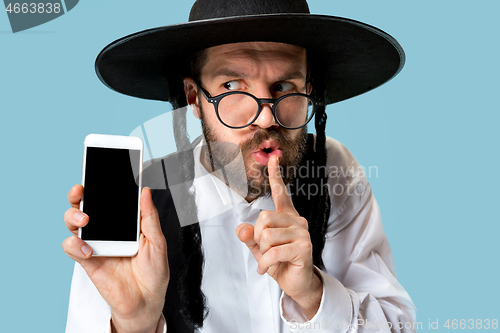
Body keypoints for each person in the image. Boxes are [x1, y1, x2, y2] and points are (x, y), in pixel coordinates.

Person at [63, 0, 417, 332]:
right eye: (232, 85)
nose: (265, 117)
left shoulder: (333, 170)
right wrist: (133, 323)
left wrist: (313, 295)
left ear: (308, 91)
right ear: (194, 99)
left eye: (284, 86)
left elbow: (397, 324)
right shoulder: (135, 197)